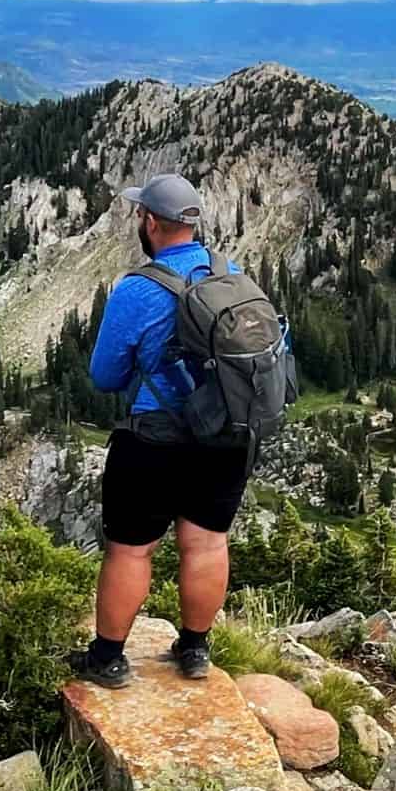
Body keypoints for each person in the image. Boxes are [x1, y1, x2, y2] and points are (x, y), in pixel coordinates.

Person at [67, 172, 250, 688]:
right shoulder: (232, 276)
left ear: (149, 221)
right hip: (226, 434)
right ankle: (194, 650)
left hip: (154, 437)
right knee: (208, 544)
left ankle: (108, 658)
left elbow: (105, 376)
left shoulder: (139, 289)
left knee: (131, 548)